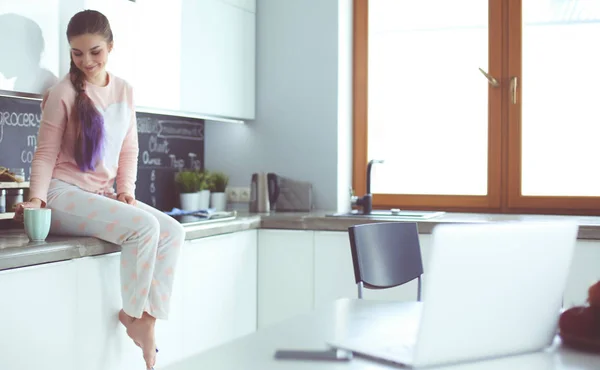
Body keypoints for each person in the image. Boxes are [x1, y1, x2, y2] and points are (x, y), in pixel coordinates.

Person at [13, 9, 185, 370]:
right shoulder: (62, 92)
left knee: (172, 230)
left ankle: (146, 318)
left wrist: (125, 190)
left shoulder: (124, 90)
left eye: (94, 51)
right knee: (145, 227)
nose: (86, 61)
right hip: (62, 195)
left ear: (110, 47)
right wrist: (35, 200)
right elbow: (45, 154)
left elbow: (129, 148)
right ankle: (134, 314)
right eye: (77, 53)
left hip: (102, 195)